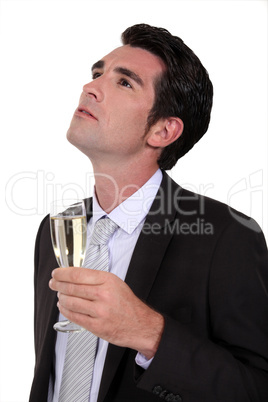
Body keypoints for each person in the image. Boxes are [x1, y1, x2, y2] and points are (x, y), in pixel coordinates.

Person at [29, 23, 268, 402]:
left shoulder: (227, 235)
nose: (91, 87)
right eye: (97, 73)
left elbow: (257, 388)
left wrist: (149, 333)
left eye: (124, 83)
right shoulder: (55, 230)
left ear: (162, 131)